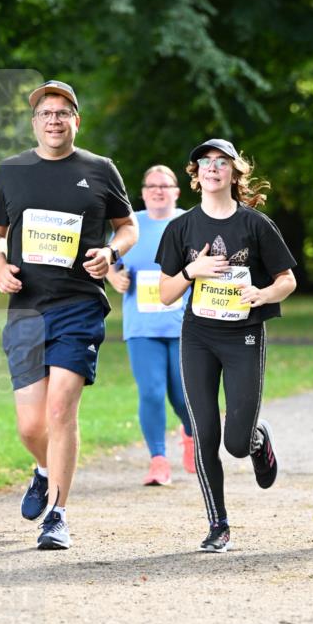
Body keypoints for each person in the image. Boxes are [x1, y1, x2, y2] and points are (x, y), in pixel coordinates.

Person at [0, 80, 138, 550]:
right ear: (35, 123)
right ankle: (45, 468)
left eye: (62, 112)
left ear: (76, 120)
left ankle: (58, 514)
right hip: (26, 309)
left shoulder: (99, 169)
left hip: (79, 305)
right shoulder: (12, 170)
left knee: (60, 408)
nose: (54, 120)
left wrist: (111, 254)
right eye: (46, 113)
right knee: (31, 426)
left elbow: (126, 227)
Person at [156, 138, 297, 552]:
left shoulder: (255, 224)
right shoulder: (181, 228)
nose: (212, 168)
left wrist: (264, 294)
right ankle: (218, 524)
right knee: (204, 434)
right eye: (204, 162)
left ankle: (257, 440)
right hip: (198, 336)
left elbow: (287, 280)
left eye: (221, 162)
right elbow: (165, 293)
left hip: (244, 336)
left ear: (234, 173)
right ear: (195, 176)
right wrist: (191, 269)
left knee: (235, 442)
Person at [106, 164, 195, 485]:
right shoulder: (131, 226)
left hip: (185, 325)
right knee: (152, 392)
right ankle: (158, 460)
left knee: (185, 396)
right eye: (151, 186)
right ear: (142, 192)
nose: (158, 190)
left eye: (165, 185)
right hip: (142, 326)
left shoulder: (190, 222)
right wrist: (114, 275)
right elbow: (109, 262)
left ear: (176, 191)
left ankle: (190, 435)